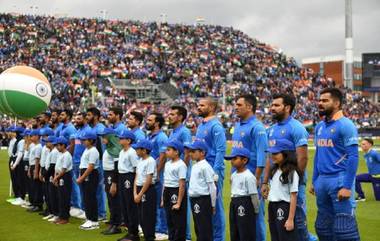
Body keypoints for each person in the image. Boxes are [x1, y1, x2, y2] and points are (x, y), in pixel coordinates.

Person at [262, 93, 315, 241]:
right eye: (272, 105)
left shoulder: (296, 128)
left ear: (287, 107)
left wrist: (293, 180)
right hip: (277, 184)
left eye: (276, 105)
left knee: (298, 223)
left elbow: (303, 158)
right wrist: (265, 182)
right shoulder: (271, 130)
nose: (272, 108)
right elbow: (269, 158)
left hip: (292, 185)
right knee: (279, 225)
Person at [310, 87, 360, 241]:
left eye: (325, 101)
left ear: (337, 103)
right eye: (320, 100)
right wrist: (314, 180)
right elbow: (318, 155)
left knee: (345, 229)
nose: (320, 103)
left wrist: (346, 186)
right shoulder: (319, 127)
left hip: (339, 179)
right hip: (322, 181)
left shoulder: (346, 125)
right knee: (323, 227)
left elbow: (353, 156)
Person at [232, 94, 267, 241]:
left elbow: (262, 155)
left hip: (252, 177)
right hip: (238, 177)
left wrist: (257, 178)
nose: (235, 107)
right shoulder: (238, 125)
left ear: (249, 107)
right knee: (240, 216)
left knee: (256, 215)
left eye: (239, 105)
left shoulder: (257, 127)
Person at [195, 97, 226, 241]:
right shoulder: (201, 125)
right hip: (201, 169)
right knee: (205, 205)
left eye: (202, 105)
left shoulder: (216, 126)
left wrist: (216, 172)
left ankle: (218, 238)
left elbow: (221, 150)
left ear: (212, 108)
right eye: (198, 105)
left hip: (212, 170)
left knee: (216, 206)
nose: (198, 107)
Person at [266, 139, 300, 241]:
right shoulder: (274, 170)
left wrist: (290, 219)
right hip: (272, 206)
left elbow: (293, 196)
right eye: (272, 153)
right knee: (275, 236)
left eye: (276, 153)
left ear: (286, 154)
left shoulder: (292, 173)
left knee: (285, 236)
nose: (273, 155)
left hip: (284, 207)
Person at [167, 105, 192, 241]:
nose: (169, 116)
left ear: (180, 117)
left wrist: (183, 169)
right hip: (172, 173)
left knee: (182, 205)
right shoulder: (172, 132)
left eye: (172, 114)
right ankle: (176, 235)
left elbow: (187, 153)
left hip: (181, 175)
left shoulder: (184, 132)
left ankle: (186, 236)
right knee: (173, 205)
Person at [225, 147, 259, 241]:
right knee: (234, 230)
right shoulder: (233, 175)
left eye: (235, 158)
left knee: (245, 231)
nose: (232, 161)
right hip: (234, 203)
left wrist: (255, 211)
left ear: (244, 160)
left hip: (245, 203)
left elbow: (254, 195)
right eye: (231, 159)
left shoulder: (249, 176)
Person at [186, 140, 216, 241]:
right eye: (190, 151)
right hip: (194, 199)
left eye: (194, 151)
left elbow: (212, 187)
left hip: (203, 200)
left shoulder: (206, 167)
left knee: (204, 227)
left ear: (202, 153)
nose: (191, 153)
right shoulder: (195, 165)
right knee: (198, 227)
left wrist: (212, 204)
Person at [146, 112, 169, 240]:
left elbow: (163, 157)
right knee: (152, 202)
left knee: (161, 202)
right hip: (150, 174)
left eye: (150, 120)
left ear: (157, 123)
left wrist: (157, 173)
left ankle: (163, 230)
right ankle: (155, 227)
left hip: (158, 175)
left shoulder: (161, 137)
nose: (147, 121)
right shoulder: (149, 136)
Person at [98, 127, 123, 235]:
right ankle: (112, 223)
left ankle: (116, 225)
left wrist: (114, 183)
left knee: (114, 201)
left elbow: (116, 167)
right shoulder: (109, 148)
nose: (102, 139)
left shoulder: (115, 149)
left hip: (112, 175)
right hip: (108, 174)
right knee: (110, 201)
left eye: (104, 136)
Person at [162, 140, 188, 241]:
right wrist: (162, 198)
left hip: (176, 192)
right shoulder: (168, 164)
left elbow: (182, 184)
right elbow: (165, 181)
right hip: (167, 191)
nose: (166, 152)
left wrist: (179, 202)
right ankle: (171, 238)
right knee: (169, 219)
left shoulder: (181, 165)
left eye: (168, 150)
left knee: (178, 220)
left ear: (176, 152)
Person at [117, 129, 140, 241]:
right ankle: (129, 230)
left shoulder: (132, 152)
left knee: (130, 205)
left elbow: (136, 169)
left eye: (122, 138)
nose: (119, 140)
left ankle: (134, 233)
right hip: (122, 176)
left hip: (129, 178)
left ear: (129, 140)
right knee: (124, 205)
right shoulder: (122, 152)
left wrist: (134, 183)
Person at [133, 139, 157, 241]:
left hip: (147, 190)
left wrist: (140, 194)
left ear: (144, 150)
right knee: (141, 216)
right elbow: (137, 177)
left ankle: (150, 237)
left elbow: (148, 179)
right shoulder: (140, 161)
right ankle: (146, 235)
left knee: (147, 216)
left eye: (137, 149)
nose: (136, 151)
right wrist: (135, 193)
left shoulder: (150, 161)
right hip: (139, 189)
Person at [77, 130, 100, 230]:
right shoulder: (87, 149)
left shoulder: (93, 151)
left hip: (90, 175)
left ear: (91, 140)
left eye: (85, 140)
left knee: (90, 197)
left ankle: (93, 220)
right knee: (86, 197)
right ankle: (89, 218)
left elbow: (91, 166)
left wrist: (82, 177)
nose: (82, 142)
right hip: (85, 173)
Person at [87, 107, 107, 222]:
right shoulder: (92, 128)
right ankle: (97, 212)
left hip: (99, 163)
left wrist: (100, 163)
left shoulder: (100, 129)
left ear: (95, 116)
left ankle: (102, 213)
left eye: (89, 115)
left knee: (99, 189)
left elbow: (102, 149)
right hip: (93, 163)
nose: (87, 117)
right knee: (94, 189)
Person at [70, 112, 92, 218]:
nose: (77, 121)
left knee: (86, 189)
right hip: (76, 161)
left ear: (85, 119)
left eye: (79, 119)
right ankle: (82, 208)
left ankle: (86, 210)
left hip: (84, 163)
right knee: (80, 187)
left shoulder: (88, 131)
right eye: (76, 119)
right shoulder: (78, 130)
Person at [53, 136, 73, 224]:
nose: (57, 147)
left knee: (65, 197)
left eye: (58, 145)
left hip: (65, 177)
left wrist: (56, 178)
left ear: (63, 145)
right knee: (60, 197)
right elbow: (57, 167)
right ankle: (61, 215)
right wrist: (56, 176)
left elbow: (64, 169)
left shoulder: (67, 155)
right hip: (59, 176)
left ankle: (65, 217)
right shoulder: (60, 154)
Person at [43, 135, 60, 222]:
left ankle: (56, 213)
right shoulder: (51, 151)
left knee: (53, 195)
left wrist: (45, 175)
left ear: (52, 143)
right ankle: (52, 212)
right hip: (49, 175)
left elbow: (52, 166)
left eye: (48, 142)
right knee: (49, 195)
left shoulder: (54, 152)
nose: (46, 143)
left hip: (52, 175)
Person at [27, 129, 43, 213]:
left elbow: (37, 159)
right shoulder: (34, 146)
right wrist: (30, 169)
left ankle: (38, 205)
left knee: (37, 186)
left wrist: (36, 171)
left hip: (36, 166)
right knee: (33, 186)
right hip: (32, 166)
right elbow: (31, 159)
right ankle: (34, 203)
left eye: (32, 136)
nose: (30, 137)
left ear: (37, 136)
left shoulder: (39, 147)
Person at [9, 126, 26, 206]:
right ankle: (18, 196)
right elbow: (15, 153)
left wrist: (15, 164)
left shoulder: (21, 141)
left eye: (16, 132)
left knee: (21, 180)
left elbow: (20, 154)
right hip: (16, 160)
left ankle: (21, 197)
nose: (14, 133)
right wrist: (13, 161)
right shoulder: (17, 141)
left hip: (20, 162)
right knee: (16, 179)